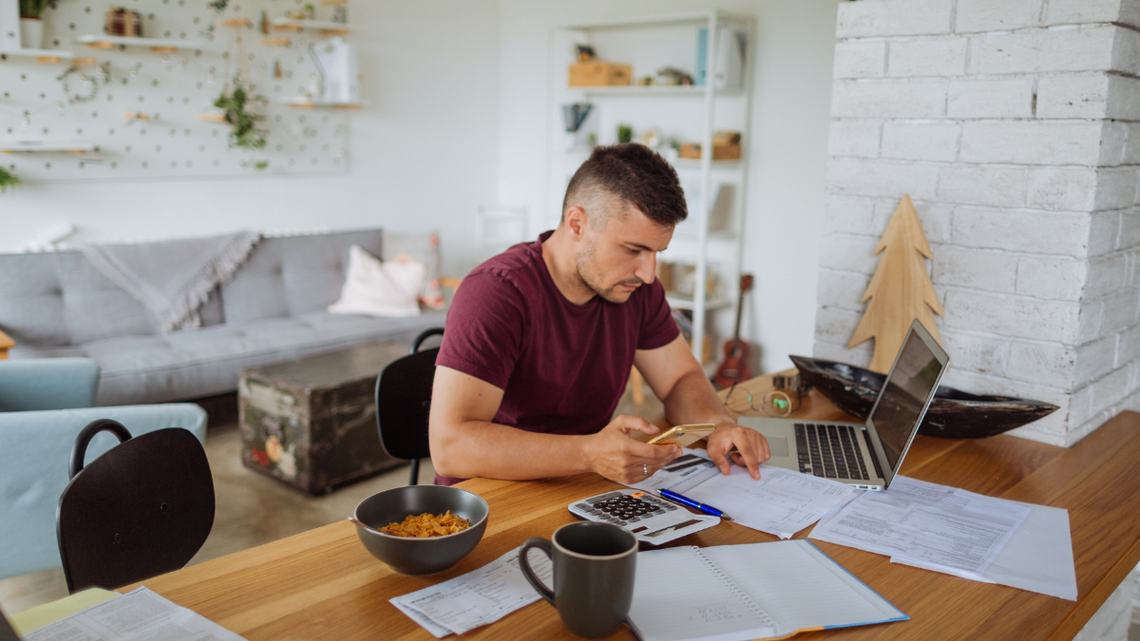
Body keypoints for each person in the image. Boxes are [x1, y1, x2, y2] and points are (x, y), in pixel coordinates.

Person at [429, 143, 770, 486]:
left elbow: (680, 379)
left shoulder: (638, 289)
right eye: (633, 250)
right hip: (492, 499)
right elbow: (450, 447)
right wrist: (589, 453)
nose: (649, 274)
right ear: (577, 223)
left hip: (584, 484)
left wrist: (718, 424)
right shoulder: (497, 293)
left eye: (657, 253)